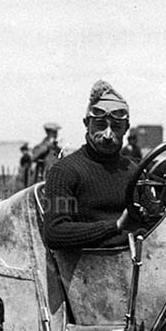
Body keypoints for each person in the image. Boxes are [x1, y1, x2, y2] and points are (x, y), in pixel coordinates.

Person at [42, 80, 140, 249]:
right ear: (87, 124)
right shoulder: (64, 171)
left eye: (116, 127)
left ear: (126, 129)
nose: (108, 135)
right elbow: (55, 232)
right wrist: (115, 226)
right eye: (100, 125)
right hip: (87, 271)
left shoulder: (134, 170)